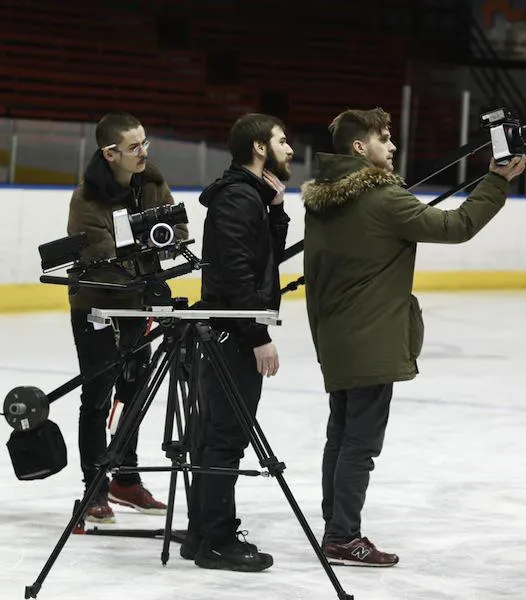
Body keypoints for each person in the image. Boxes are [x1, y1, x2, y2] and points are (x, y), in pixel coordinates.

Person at [301, 107, 526, 566]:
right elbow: (456, 226)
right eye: (384, 138)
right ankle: (343, 536)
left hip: (337, 335)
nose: (393, 145)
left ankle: (335, 528)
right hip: (370, 338)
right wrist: (497, 181)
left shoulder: (324, 200)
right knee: (360, 444)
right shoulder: (382, 199)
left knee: (341, 437)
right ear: (360, 148)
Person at [180, 113, 294, 572]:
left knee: (217, 435)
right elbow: (237, 274)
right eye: (282, 142)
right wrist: (258, 335)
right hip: (233, 335)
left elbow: (266, 257)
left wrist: (277, 207)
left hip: (233, 330)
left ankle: (202, 534)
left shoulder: (249, 198)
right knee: (224, 437)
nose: (289, 149)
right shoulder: (236, 200)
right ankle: (217, 541)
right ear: (260, 148)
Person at [66, 112, 185, 523]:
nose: (143, 152)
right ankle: (95, 487)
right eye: (134, 147)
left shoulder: (150, 181)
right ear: (110, 153)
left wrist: (159, 240)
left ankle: (127, 480)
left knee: (135, 391)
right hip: (97, 306)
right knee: (97, 397)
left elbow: (178, 227)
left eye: (145, 143)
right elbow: (98, 256)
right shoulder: (87, 197)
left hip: (139, 302)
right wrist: (140, 248)